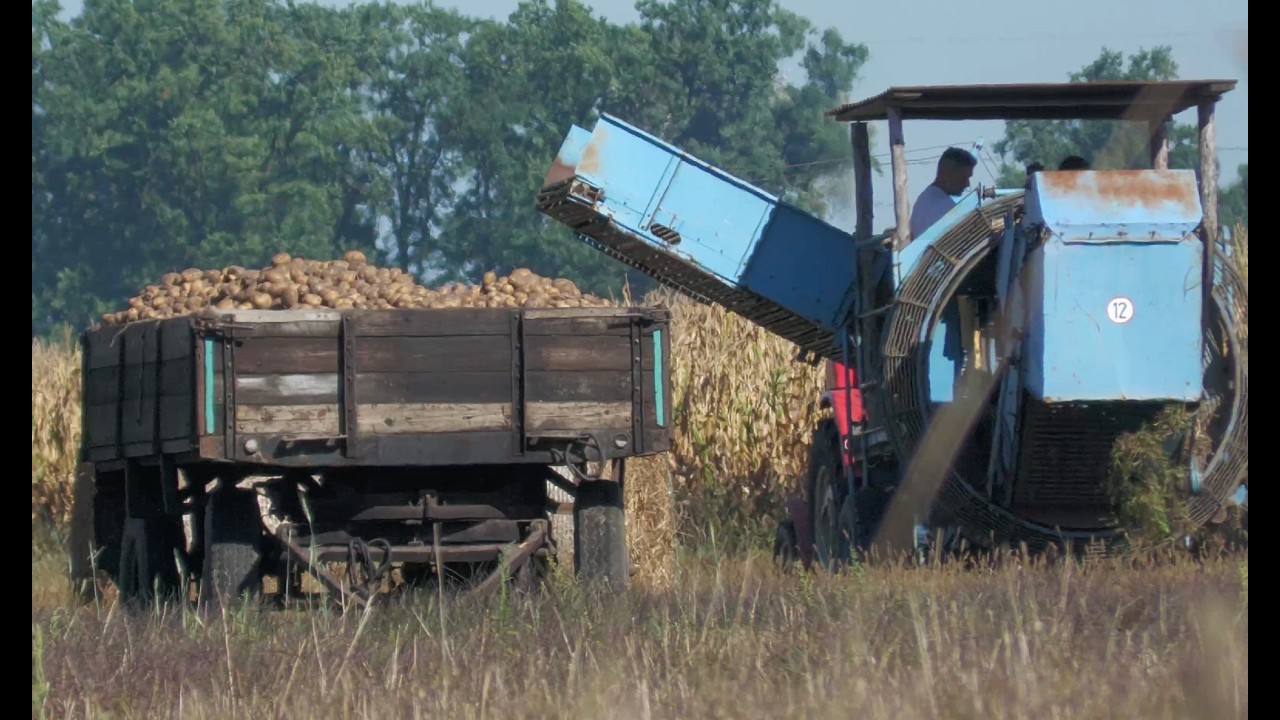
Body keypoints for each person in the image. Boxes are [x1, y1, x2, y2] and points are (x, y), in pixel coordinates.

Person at [909, 147, 978, 241]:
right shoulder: (945, 210)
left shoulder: (924, 199)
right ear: (948, 175)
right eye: (964, 178)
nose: (967, 184)